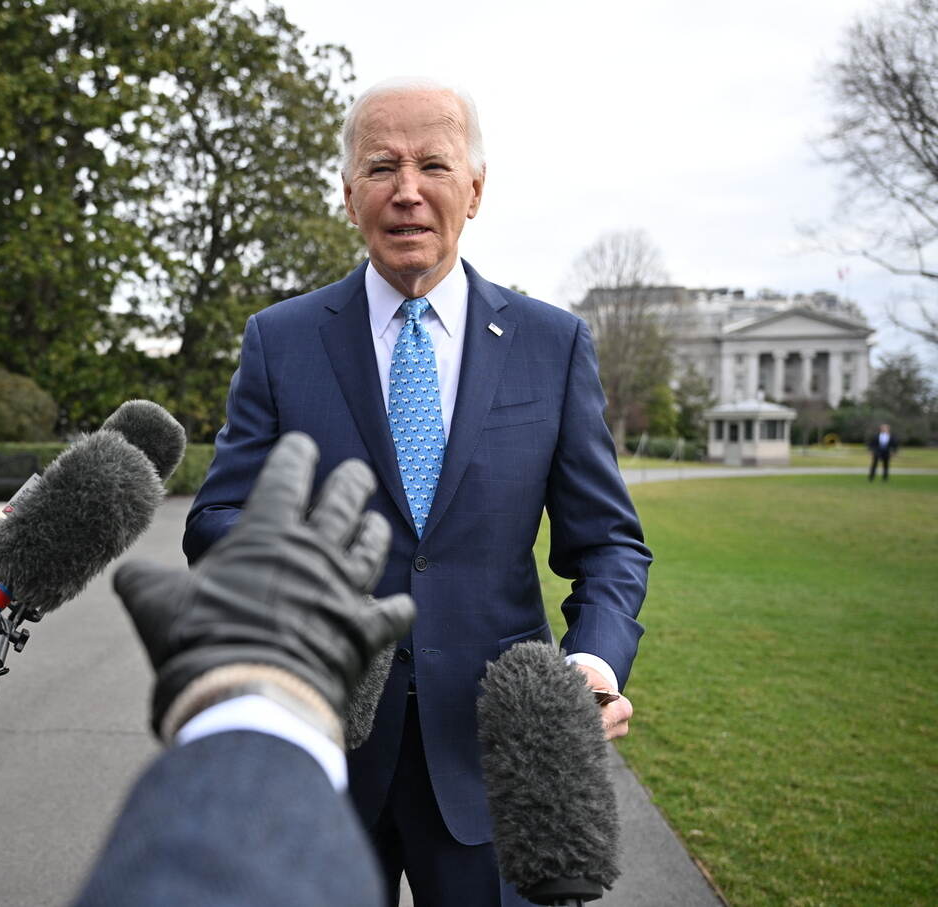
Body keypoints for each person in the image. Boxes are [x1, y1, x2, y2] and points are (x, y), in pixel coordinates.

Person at [184, 78, 650, 906]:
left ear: (475, 188)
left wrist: (594, 662)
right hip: (321, 756)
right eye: (381, 166)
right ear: (348, 192)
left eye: (433, 164)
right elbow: (215, 517)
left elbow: (608, 543)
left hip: (492, 765)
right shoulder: (281, 341)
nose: (407, 190)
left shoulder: (552, 344)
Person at [76, 432, 413, 907]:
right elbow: (211, 517)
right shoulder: (277, 355)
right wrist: (272, 581)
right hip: (339, 760)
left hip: (471, 746)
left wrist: (247, 693)